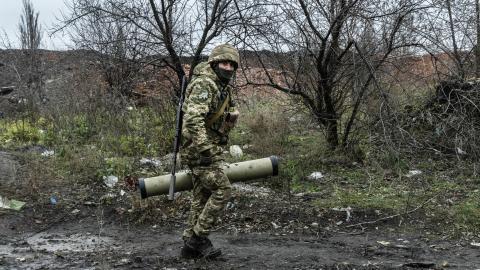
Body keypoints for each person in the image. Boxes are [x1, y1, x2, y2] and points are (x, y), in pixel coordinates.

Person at [180, 44, 240, 259]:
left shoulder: (222, 86)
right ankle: (198, 238)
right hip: (199, 151)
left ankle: (189, 247)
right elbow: (193, 120)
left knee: (201, 197)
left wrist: (229, 122)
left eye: (232, 64)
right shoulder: (206, 84)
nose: (228, 67)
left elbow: (215, 120)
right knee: (223, 190)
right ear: (214, 64)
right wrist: (206, 150)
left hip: (207, 149)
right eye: (224, 63)